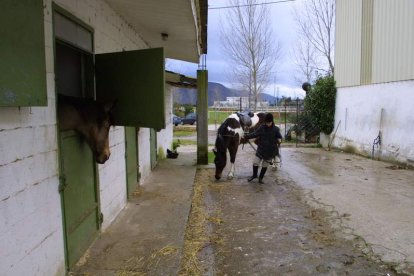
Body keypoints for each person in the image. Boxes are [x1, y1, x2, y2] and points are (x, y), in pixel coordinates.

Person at [244, 113, 282, 184]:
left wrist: (279, 140)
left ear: (272, 121)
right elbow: (255, 134)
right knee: (255, 163)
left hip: (270, 151)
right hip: (261, 149)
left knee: (265, 165)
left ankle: (260, 178)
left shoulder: (276, 129)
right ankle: (254, 175)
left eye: (269, 123)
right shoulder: (262, 127)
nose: (267, 124)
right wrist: (246, 136)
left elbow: (280, 137)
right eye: (266, 122)